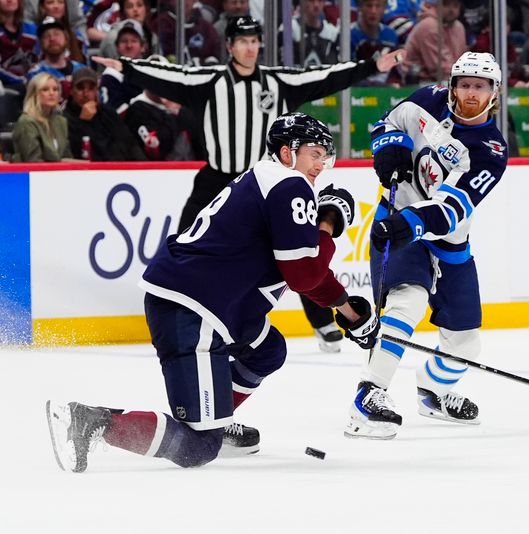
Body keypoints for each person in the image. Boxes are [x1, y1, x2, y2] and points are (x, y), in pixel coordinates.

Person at [45, 112, 381, 473]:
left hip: (204, 304)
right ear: (287, 152)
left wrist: (349, 312)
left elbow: (303, 272)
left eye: (324, 156)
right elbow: (303, 274)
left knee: (267, 350)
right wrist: (328, 223)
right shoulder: (289, 186)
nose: (321, 165)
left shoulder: (267, 180)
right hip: (195, 310)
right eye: (315, 154)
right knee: (199, 447)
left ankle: (216, 414)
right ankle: (92, 422)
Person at [92, 15, 404, 234]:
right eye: (243, 41)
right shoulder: (209, 81)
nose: (250, 48)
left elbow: (327, 76)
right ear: (229, 46)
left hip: (263, 179)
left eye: (254, 41)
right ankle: (172, 306)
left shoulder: (279, 81)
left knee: (295, 242)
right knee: (183, 242)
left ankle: (321, 318)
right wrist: (126, 67)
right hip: (216, 180)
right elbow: (169, 76)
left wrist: (373, 66)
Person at [345, 51, 508, 439]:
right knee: (408, 301)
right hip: (398, 216)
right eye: (465, 84)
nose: (471, 93)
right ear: (452, 86)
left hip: (445, 239)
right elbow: (385, 122)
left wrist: (408, 224)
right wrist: (389, 147)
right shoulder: (428, 99)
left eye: (480, 87)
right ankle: (369, 396)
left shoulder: (490, 151)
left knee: (466, 341)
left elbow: (451, 208)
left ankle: (434, 389)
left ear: (494, 94)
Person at [62, 66, 146, 160]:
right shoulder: (64, 119)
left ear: (96, 90)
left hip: (120, 169)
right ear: (71, 91)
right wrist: (83, 122)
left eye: (91, 88)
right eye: (80, 88)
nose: (85, 94)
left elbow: (130, 143)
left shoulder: (108, 113)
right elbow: (75, 152)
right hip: (88, 171)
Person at [12, 71, 74, 161]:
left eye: (55, 89)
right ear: (34, 94)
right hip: (34, 174)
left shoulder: (61, 122)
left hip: (60, 173)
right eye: (45, 89)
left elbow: (67, 157)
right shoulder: (26, 123)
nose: (52, 93)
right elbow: (34, 161)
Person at [403, 0, 467, 84]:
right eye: (446, 5)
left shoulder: (459, 27)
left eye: (455, 6)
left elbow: (462, 60)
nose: (451, 10)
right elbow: (439, 68)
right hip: (420, 82)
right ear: (435, 5)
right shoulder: (429, 25)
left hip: (450, 78)